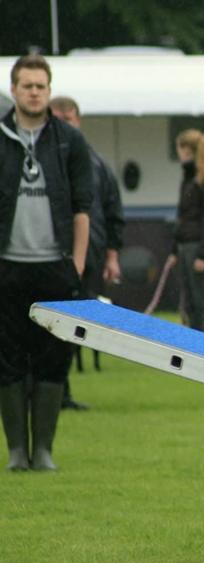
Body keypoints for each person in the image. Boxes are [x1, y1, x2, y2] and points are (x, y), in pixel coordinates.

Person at [1, 55, 92, 471]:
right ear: (14, 90)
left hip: (55, 267)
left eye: (41, 85)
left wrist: (76, 264)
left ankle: (45, 451)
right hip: (8, 265)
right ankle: (17, 451)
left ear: (49, 91)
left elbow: (82, 208)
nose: (34, 92)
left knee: (54, 357)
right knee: (8, 357)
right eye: (26, 85)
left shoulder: (69, 142)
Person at [48, 95, 124, 410]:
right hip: (46, 255)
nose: (66, 124)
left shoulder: (96, 162)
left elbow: (112, 209)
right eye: (59, 118)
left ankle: (60, 393)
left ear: (79, 121)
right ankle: (47, 392)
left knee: (72, 327)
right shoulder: (35, 159)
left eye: (70, 118)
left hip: (89, 255)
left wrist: (111, 256)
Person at [169, 129, 204, 336]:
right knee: (190, 303)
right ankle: (195, 348)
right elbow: (182, 215)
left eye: (180, 150)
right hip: (185, 245)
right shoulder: (189, 177)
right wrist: (175, 249)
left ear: (187, 150)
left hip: (199, 247)